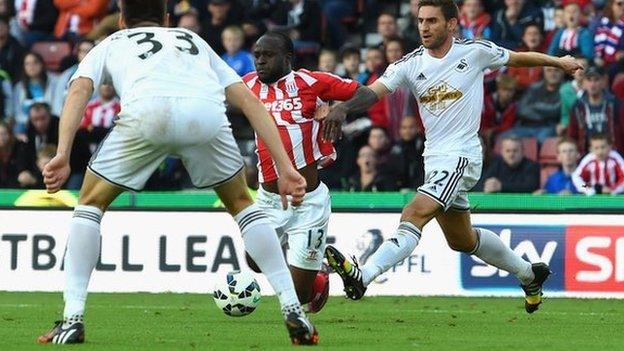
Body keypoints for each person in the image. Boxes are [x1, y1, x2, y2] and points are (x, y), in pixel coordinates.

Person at [37, 1, 317, 345]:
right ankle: (292, 307)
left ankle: (73, 318)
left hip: (147, 114)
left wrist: (63, 153)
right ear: (168, 19)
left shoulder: (111, 43)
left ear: (122, 20)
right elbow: (249, 101)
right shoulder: (192, 39)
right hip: (205, 117)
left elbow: (79, 89)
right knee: (244, 205)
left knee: (90, 205)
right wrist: (287, 168)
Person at [318, 0, 582, 314]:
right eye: (420, 21)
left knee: (414, 213)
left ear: (452, 24)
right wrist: (343, 107)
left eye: (432, 21)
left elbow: (517, 59)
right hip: (435, 159)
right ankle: (529, 273)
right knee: (462, 240)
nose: (424, 28)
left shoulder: (473, 52)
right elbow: (372, 91)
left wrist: (559, 62)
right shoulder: (409, 64)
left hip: (463, 157)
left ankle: (364, 275)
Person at [242, 31, 360, 313]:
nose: (260, 61)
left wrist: (341, 109)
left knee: (299, 296)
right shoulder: (246, 86)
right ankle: (310, 266)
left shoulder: (310, 82)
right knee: (254, 261)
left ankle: (319, 277)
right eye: (257, 55)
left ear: (287, 58)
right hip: (269, 199)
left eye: (267, 56)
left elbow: (365, 92)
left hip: (308, 203)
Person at [568, 65, 624, 154]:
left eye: (596, 80)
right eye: (589, 80)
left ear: (604, 81)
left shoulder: (616, 104)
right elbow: (572, 135)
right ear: (584, 83)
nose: (592, 84)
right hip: (586, 154)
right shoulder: (578, 107)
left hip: (613, 153)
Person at [505, 66, 564, 144]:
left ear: (562, 73)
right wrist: (545, 114)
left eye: (556, 70)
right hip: (525, 126)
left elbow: (556, 110)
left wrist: (535, 106)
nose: (552, 74)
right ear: (544, 72)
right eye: (549, 70)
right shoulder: (533, 88)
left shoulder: (565, 89)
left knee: (545, 143)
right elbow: (521, 110)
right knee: (503, 138)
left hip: (547, 127)